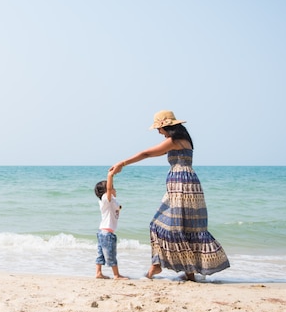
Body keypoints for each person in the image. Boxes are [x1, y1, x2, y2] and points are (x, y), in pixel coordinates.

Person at [110, 110, 230, 281]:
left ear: (167, 126)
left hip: (181, 186)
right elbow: (153, 153)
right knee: (186, 227)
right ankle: (188, 274)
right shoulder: (183, 140)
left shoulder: (173, 141)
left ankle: (156, 266)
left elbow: (147, 153)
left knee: (158, 224)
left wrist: (122, 163)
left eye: (159, 129)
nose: (159, 132)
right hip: (187, 185)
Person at [94, 169, 128, 280]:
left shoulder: (112, 201)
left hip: (102, 232)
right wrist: (110, 175)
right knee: (111, 254)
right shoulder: (106, 200)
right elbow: (108, 189)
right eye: (112, 187)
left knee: (101, 254)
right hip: (107, 233)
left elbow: (118, 206)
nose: (114, 188)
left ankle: (98, 273)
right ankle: (116, 275)